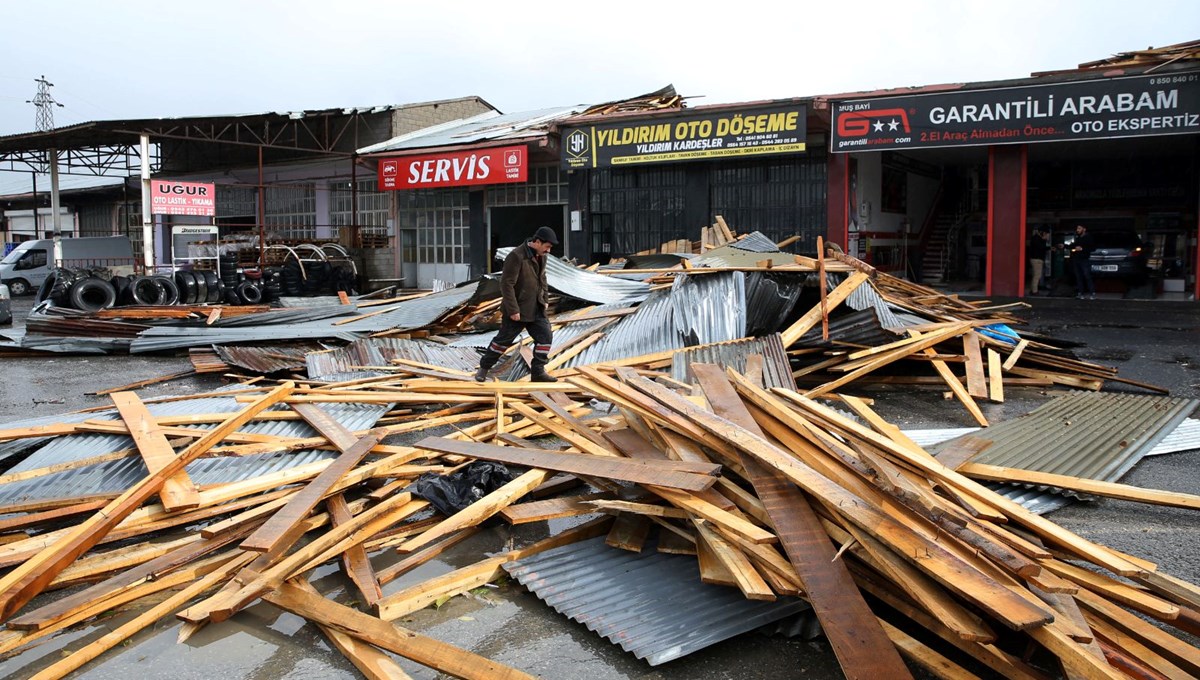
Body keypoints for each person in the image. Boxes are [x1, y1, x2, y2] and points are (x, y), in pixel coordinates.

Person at [474, 226, 559, 383]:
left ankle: (538, 372)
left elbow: (543, 278)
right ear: (538, 242)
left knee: (545, 337)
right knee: (502, 341)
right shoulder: (516, 256)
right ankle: (484, 368)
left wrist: (545, 299)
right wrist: (513, 309)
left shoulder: (542, 256)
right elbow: (506, 284)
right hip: (517, 310)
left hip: (536, 307)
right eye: (547, 247)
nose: (548, 251)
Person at [1069, 224, 1096, 299]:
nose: (1077, 230)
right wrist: (1064, 246)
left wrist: (1082, 249)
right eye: (1077, 228)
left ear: (1084, 229)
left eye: (1079, 228)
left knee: (1087, 276)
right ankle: (1081, 293)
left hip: (1084, 260)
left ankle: (1092, 293)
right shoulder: (1078, 238)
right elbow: (1073, 246)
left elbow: (1093, 248)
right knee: (1078, 277)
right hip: (1076, 259)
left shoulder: (1088, 238)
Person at [1028, 228, 1050, 295]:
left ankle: (1033, 289)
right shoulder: (1037, 239)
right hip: (1036, 259)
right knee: (1037, 275)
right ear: (1042, 233)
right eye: (1046, 234)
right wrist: (1045, 239)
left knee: (1036, 275)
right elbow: (1041, 247)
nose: (1047, 236)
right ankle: (1034, 291)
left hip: (1036, 259)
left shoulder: (1036, 238)